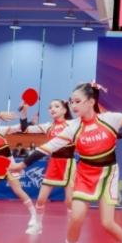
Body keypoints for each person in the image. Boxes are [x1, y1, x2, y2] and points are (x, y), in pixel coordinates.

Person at [11, 83, 122, 243]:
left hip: (108, 175)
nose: (74, 105)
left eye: (77, 101)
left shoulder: (110, 119)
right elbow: (47, 148)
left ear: (91, 102)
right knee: (76, 217)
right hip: (85, 175)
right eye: (71, 102)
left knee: (108, 223)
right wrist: (22, 164)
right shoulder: (73, 127)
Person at [21, 99, 79, 234]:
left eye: (56, 106)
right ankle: (38, 226)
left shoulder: (72, 124)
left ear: (64, 110)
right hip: (53, 163)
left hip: (68, 164)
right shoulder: (47, 126)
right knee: (41, 199)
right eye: (50, 107)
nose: (52, 109)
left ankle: (72, 226)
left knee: (69, 201)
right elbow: (25, 129)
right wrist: (24, 112)